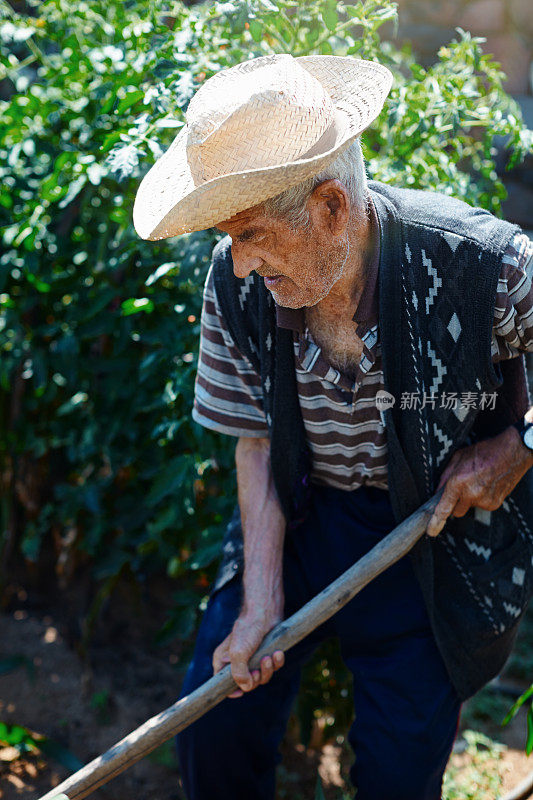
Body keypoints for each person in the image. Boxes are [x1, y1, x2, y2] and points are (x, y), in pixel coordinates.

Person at [133, 54, 533, 800]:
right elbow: (254, 439)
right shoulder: (234, 280)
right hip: (300, 512)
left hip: (430, 535)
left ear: (329, 209)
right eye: (230, 237)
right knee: (218, 714)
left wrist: (518, 446)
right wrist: (259, 601)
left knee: (398, 764)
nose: (241, 265)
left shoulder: (483, 264)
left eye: (252, 234)